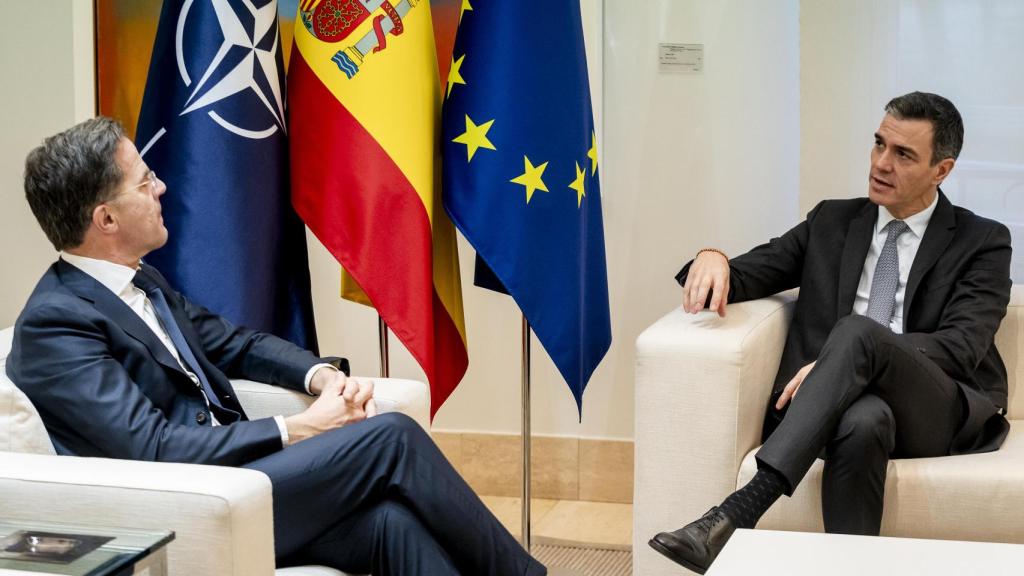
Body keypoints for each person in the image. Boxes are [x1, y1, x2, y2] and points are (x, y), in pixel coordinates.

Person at [7, 117, 545, 576]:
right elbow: (152, 449)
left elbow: (235, 343)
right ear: (106, 219)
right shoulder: (57, 323)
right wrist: (301, 428)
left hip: (238, 481)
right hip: (187, 504)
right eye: (145, 182)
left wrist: (320, 377)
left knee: (391, 524)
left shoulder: (141, 282)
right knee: (392, 439)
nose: (162, 187)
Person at [649, 92, 1012, 574]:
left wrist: (847, 357)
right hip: (839, 409)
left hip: (932, 406)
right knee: (864, 421)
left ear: (941, 170)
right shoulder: (832, 221)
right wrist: (712, 255)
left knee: (858, 334)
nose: (881, 163)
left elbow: (962, 346)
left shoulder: (983, 240)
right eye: (879, 144)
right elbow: (752, 272)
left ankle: (738, 512)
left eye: (903, 155)